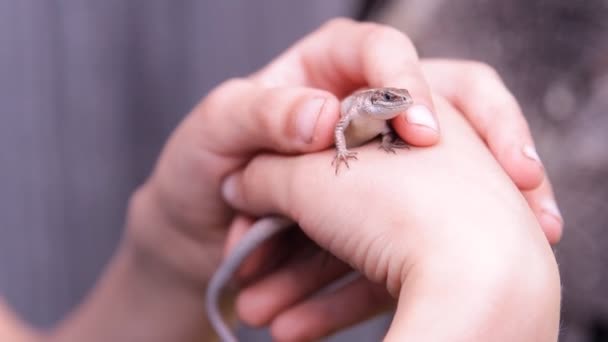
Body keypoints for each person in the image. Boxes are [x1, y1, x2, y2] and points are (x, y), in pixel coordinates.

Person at [0, 18, 561, 342]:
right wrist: (491, 288)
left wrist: (170, 266)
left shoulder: (382, 112)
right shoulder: (360, 109)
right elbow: (344, 127)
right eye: (390, 99)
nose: (393, 102)